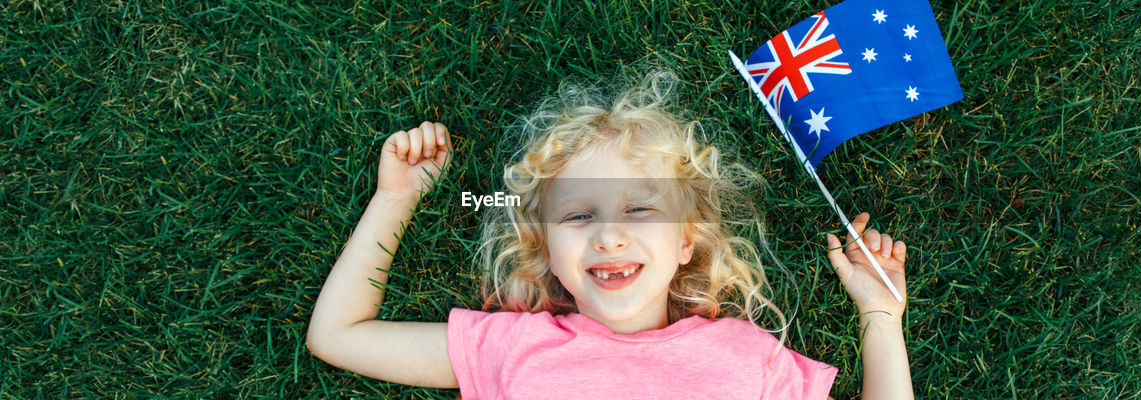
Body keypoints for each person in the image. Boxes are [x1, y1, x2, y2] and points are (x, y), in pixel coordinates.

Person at [305, 70, 913, 399]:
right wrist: (396, 200)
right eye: (578, 216)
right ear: (543, 246)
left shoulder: (744, 358)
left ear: (685, 242)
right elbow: (338, 336)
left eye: (641, 211)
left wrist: (881, 319)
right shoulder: (513, 348)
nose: (610, 237)